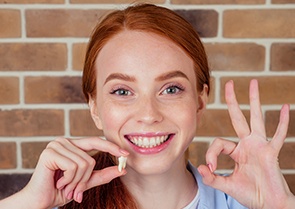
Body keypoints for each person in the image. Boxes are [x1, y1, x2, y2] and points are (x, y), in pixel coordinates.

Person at [0, 3, 294, 209]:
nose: (148, 114)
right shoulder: (49, 205)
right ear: (94, 107)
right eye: (122, 91)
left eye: (171, 88)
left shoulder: (252, 203)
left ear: (200, 101)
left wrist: (282, 206)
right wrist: (28, 203)